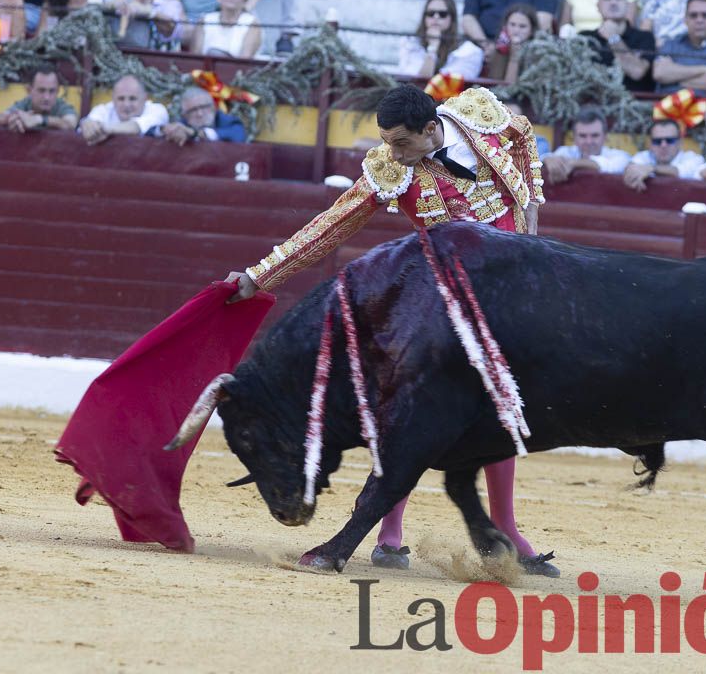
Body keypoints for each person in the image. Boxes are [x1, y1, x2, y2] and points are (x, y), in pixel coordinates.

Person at [224, 84, 556, 577]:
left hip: (508, 296)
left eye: (401, 143)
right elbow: (328, 227)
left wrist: (531, 199)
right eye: (387, 143)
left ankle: (504, 524)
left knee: (501, 409)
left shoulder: (477, 114)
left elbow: (525, 136)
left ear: (430, 128)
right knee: (409, 408)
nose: (391, 154)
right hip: (443, 297)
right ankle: (389, 532)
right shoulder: (389, 169)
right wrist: (258, 277)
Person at [578, 0, 655, 91]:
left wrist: (613, 38)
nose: (613, 2)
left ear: (627, 6)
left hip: (634, 104)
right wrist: (630, 57)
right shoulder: (584, 38)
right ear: (598, 6)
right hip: (593, 104)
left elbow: (637, 71)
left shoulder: (644, 38)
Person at [397, 0, 485, 80]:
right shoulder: (410, 43)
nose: (436, 17)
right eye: (430, 13)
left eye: (442, 14)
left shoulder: (470, 51)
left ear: (452, 18)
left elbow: (447, 84)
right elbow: (417, 81)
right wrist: (433, 47)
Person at [542, 106, 632, 184]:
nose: (589, 141)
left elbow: (610, 166)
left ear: (605, 137)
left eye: (595, 135)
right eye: (582, 136)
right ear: (574, 138)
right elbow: (547, 159)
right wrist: (548, 160)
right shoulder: (565, 152)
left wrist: (573, 163)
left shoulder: (621, 156)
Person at [79, 73, 170, 144]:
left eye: (133, 99)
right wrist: (87, 124)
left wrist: (105, 129)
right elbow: (90, 124)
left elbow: (136, 127)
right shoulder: (103, 110)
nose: (126, 104)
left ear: (145, 98)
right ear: (113, 99)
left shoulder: (158, 110)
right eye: (121, 99)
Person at [187, 0, 262, 57]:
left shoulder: (251, 24)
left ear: (245, 0)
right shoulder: (205, 20)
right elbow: (195, 58)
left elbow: (245, 61)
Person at [0, 64, 79, 132]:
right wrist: (13, 119)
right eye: (41, 90)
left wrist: (39, 120)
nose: (47, 97)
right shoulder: (25, 104)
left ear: (58, 91)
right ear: (29, 90)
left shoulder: (61, 106)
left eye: (52, 91)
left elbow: (70, 124)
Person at [622, 116, 705, 190]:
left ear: (680, 142)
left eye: (670, 140)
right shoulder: (644, 156)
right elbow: (630, 167)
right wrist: (632, 171)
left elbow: (679, 172)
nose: (663, 145)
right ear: (650, 144)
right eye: (657, 141)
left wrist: (651, 168)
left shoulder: (693, 158)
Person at [149, 86, 246, 144]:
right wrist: (165, 130)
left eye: (204, 107)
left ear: (214, 107)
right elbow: (148, 133)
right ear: (184, 115)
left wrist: (195, 133)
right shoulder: (182, 124)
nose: (200, 114)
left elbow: (238, 135)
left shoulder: (228, 121)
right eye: (193, 110)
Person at [482, 2, 537, 83]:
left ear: (532, 30)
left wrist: (515, 56)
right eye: (512, 24)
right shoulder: (499, 49)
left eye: (522, 26)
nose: (516, 31)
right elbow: (502, 87)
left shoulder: (538, 53)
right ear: (505, 26)